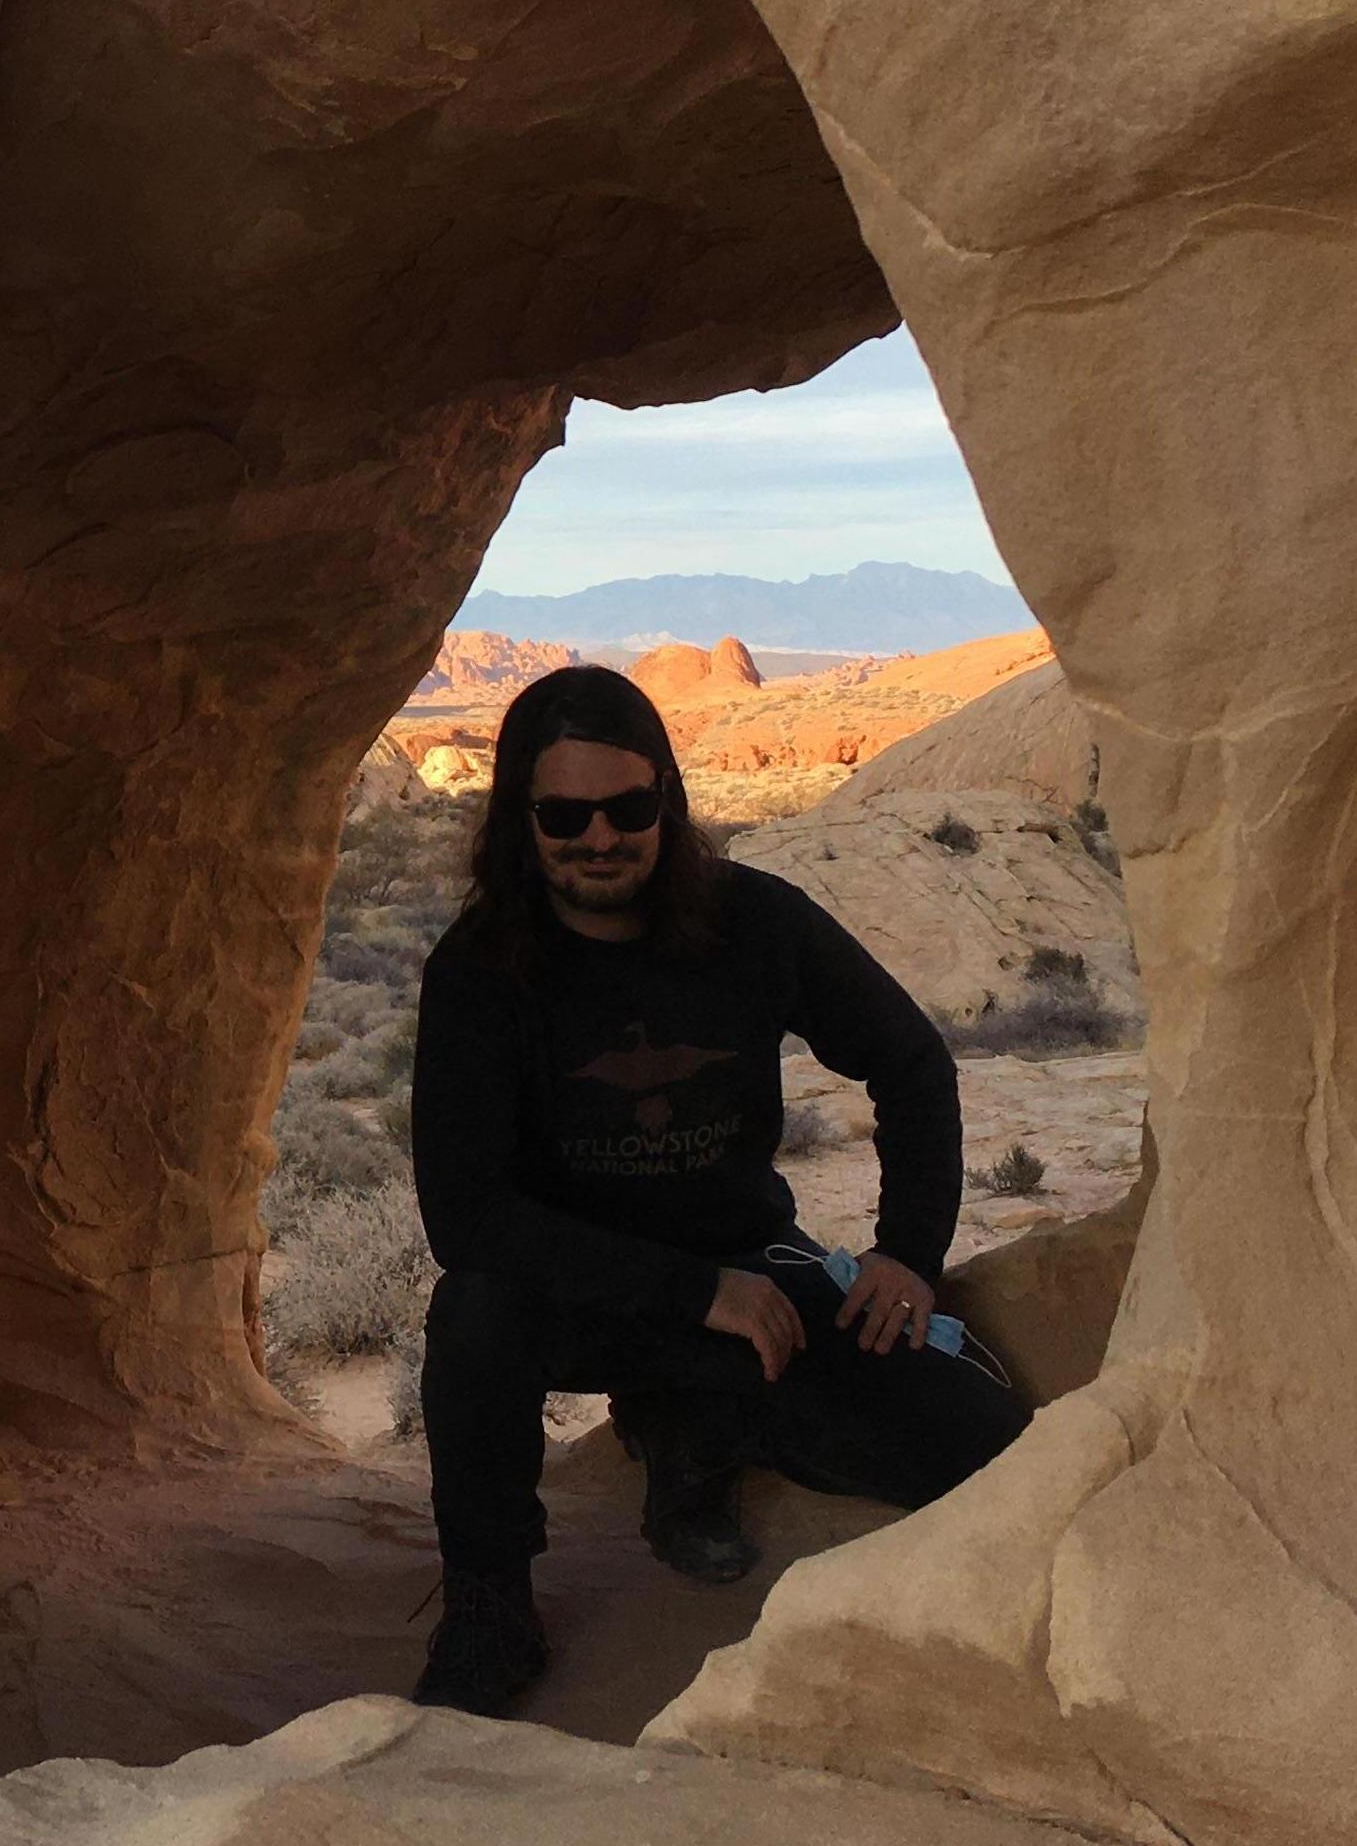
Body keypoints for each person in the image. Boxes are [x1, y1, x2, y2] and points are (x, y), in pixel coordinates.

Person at [404, 662, 1031, 1717]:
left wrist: (906, 1253)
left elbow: (911, 1063)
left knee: (978, 1431)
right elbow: (466, 1216)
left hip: (751, 1268)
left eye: (627, 807)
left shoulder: (753, 923)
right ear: (520, 818)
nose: (598, 836)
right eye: (563, 815)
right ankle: (488, 1605)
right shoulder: (479, 970)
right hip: (578, 1290)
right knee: (472, 1319)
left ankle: (697, 1419)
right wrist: (696, 1293)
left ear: (667, 797)